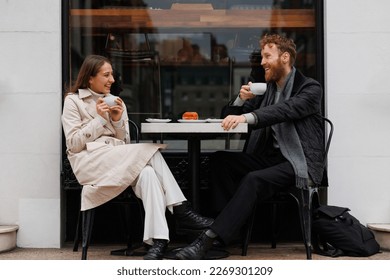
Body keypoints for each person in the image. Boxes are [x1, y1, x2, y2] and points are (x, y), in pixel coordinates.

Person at [175, 33, 326, 259]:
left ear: (285, 58)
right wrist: (240, 101)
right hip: (270, 158)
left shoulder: (309, 88)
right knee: (221, 160)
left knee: (253, 179)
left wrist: (249, 117)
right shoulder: (268, 91)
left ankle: (208, 239)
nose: (262, 62)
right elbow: (228, 117)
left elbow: (285, 110)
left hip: (299, 162)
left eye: (267, 56)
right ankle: (223, 228)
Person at [61, 54, 213, 260]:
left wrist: (116, 120)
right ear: (90, 78)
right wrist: (99, 119)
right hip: (90, 164)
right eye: (106, 75)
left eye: (112, 75)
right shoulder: (73, 101)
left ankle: (158, 242)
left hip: (118, 163)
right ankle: (180, 210)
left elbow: (125, 145)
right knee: (149, 150)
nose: (112, 80)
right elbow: (73, 144)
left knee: (149, 173)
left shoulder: (115, 102)